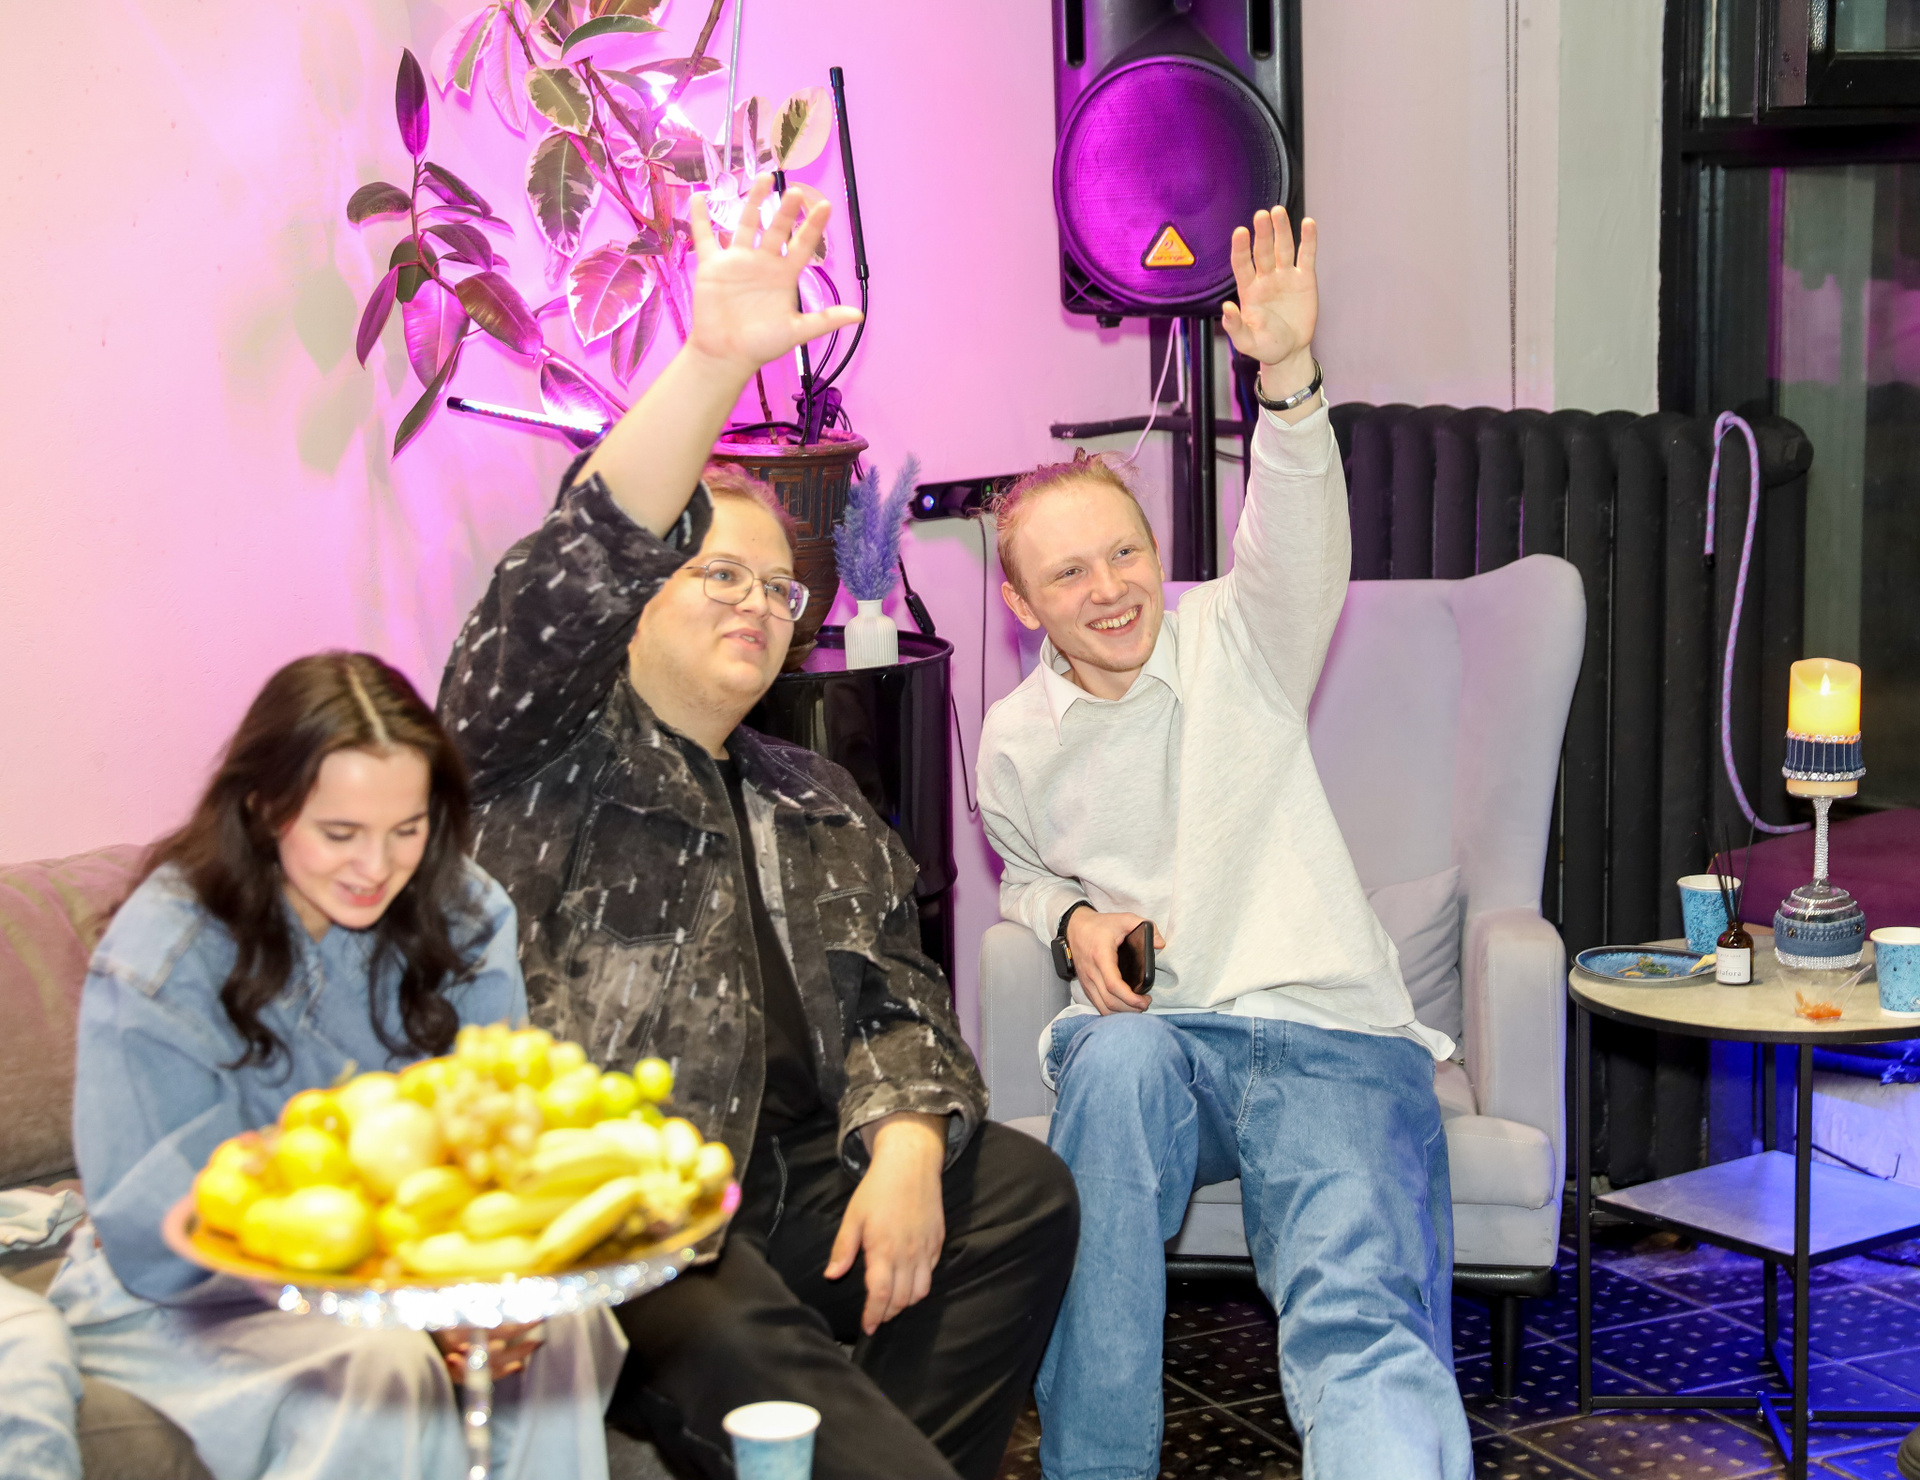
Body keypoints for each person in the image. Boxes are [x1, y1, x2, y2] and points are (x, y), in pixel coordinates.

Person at [437, 174, 1078, 1480]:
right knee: (717, 1300)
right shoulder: (540, 752)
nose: (756, 602)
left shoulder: (815, 794)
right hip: (624, 1209)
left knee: (1021, 1195)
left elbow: (903, 999)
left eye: (778, 587)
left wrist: (908, 1139)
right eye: (715, 572)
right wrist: (715, 363)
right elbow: (573, 566)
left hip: (794, 1180)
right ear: (635, 597)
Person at [977, 206, 1472, 1480]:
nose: (1110, 588)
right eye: (1069, 574)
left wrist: (1288, 377)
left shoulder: (1238, 638)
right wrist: (1071, 921)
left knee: (1360, 1321)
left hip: (1328, 1032)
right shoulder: (1014, 740)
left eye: (1126, 551)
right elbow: (1028, 873)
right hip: (1168, 1045)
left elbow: (1297, 535)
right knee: (1112, 1064)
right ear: (1021, 602)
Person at [43, 652, 624, 1480]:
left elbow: (501, 1144)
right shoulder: (165, 955)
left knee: (563, 1326)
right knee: (383, 1365)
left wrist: (479, 1291)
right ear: (264, 807)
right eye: (339, 834)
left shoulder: (465, 913)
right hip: (188, 1295)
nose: (376, 867)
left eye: (407, 830)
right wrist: (399, 1301)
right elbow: (159, 1233)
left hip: (415, 1273)